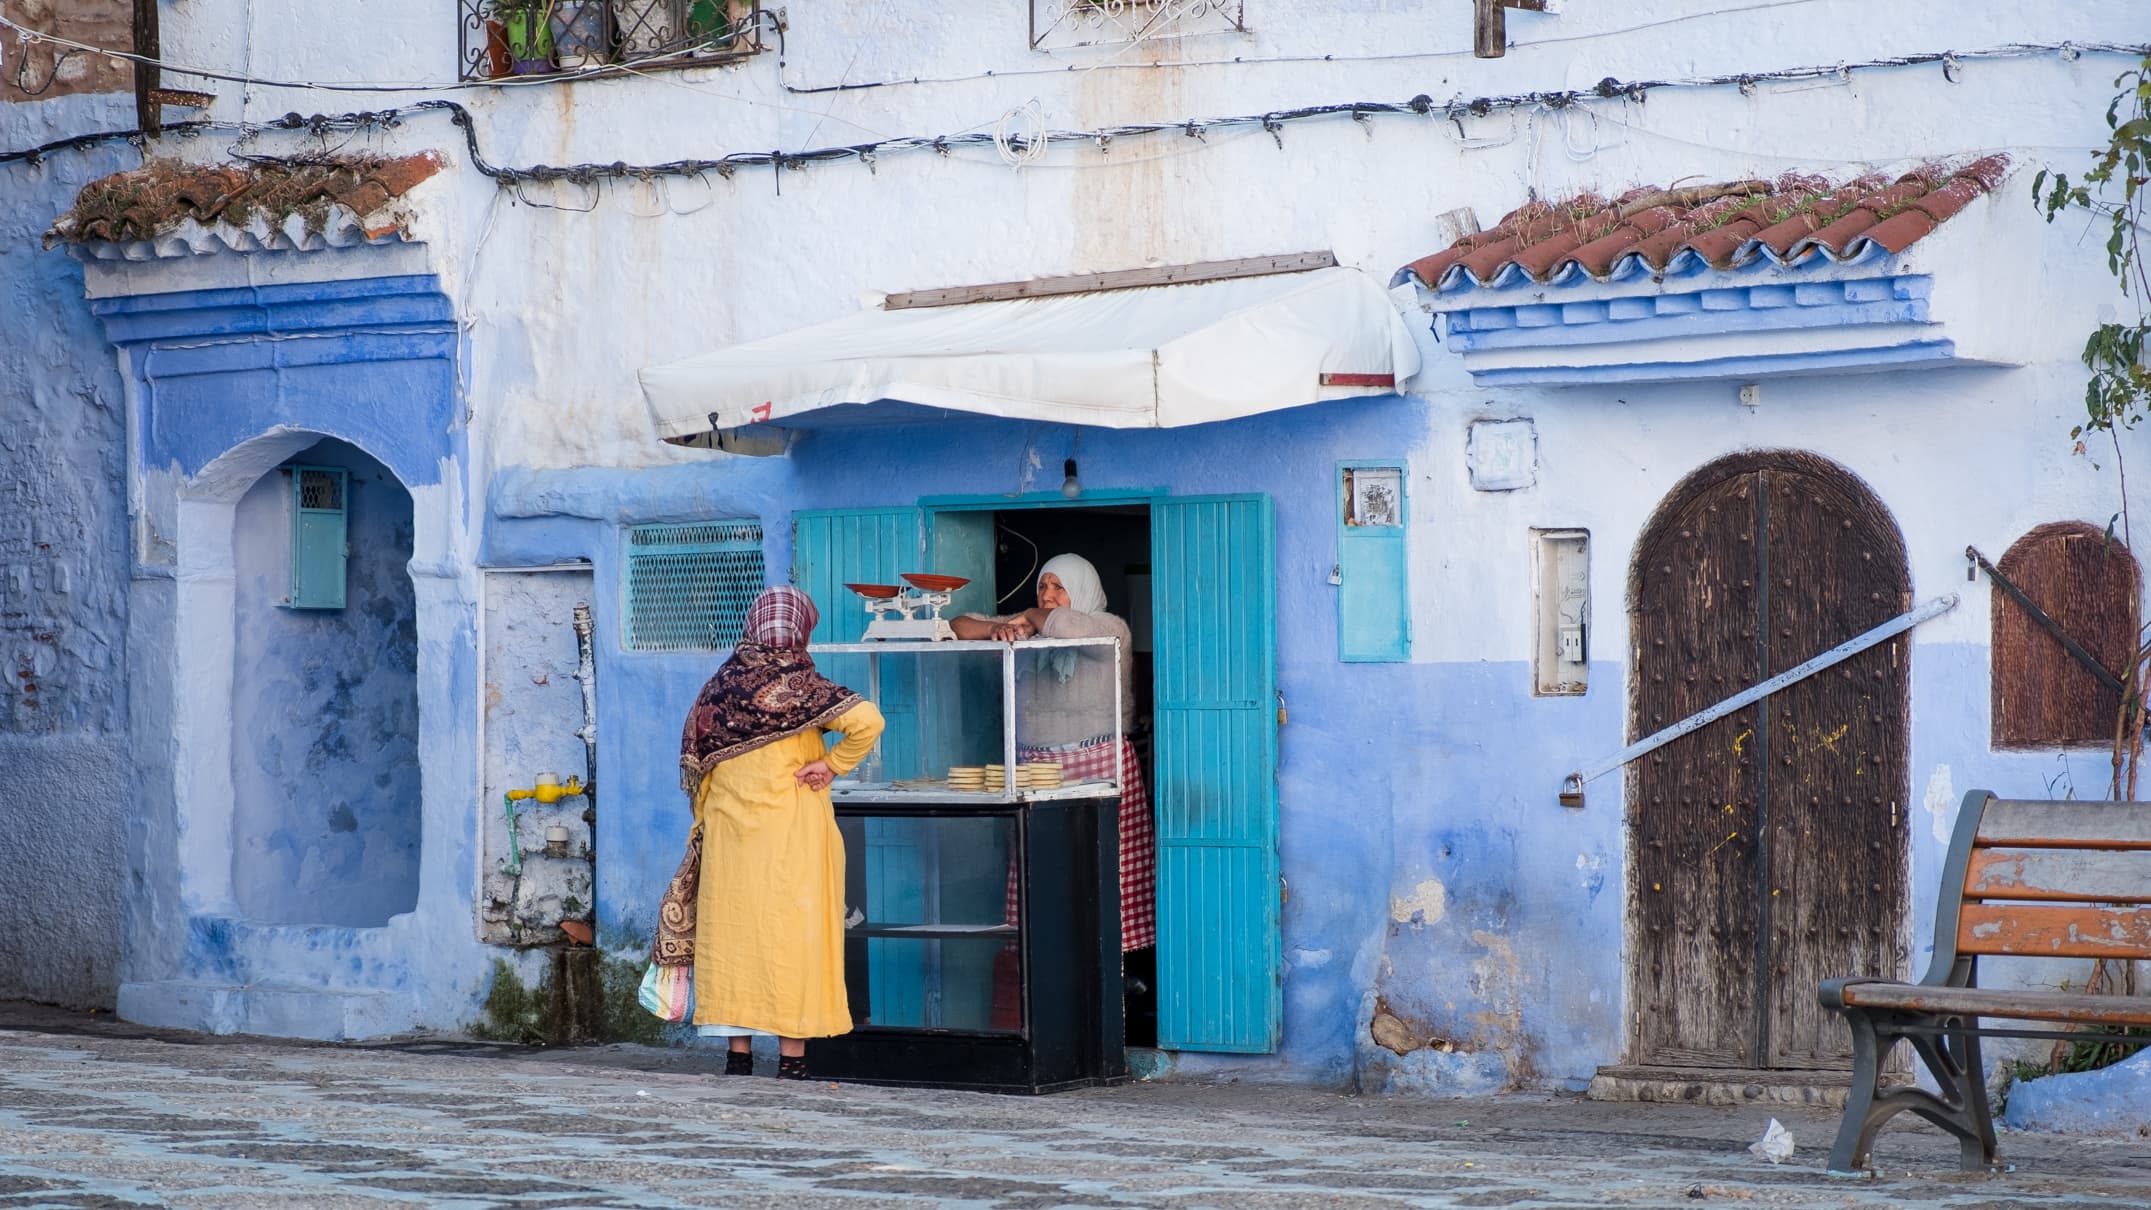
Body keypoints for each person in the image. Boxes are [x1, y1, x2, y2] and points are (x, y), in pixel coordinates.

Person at [678, 585, 885, 1079]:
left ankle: (738, 1056)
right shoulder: (805, 687)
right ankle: (793, 1061)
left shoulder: (720, 684)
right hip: (792, 833)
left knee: (734, 937)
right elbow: (869, 721)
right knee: (793, 936)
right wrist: (832, 764)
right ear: (802, 630)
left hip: (732, 836)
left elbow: (697, 760)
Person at [951, 554, 1156, 967]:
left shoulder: (1109, 627)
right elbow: (957, 625)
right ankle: (1052, 973)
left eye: (1058, 588)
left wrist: (1027, 616)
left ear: (1083, 589)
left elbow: (1066, 626)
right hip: (1036, 772)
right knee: (1041, 871)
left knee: (1105, 877)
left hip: (1102, 768)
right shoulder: (1032, 626)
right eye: (1043, 587)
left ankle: (1118, 979)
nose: (1047, 596)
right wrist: (1002, 628)